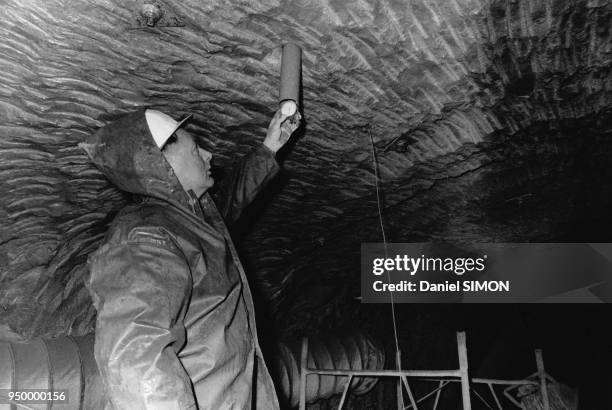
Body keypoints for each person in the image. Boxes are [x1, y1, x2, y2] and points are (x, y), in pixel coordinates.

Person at [79, 106, 301, 409]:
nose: (209, 155)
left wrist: (270, 146)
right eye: (196, 149)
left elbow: (230, 202)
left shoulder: (186, 222)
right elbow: (136, 357)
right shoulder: (145, 238)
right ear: (163, 163)